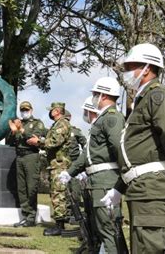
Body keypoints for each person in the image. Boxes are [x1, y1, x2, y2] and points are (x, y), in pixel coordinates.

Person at [100, 43, 165, 253]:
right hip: (142, 190)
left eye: (131, 67)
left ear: (147, 68)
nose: (127, 73)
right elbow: (138, 155)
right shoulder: (142, 100)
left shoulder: (158, 95)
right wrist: (119, 189)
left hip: (153, 190)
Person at [60, 77, 125, 253]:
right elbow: (87, 155)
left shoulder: (112, 118)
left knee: (109, 229)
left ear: (103, 95)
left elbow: (120, 148)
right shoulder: (102, 120)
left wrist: (123, 181)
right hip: (98, 181)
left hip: (107, 181)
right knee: (103, 228)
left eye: (96, 93)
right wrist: (71, 172)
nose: (94, 97)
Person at [27, 102, 71, 236]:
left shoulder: (62, 124)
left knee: (58, 195)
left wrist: (38, 142)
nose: (50, 112)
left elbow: (54, 142)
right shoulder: (57, 124)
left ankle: (59, 227)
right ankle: (59, 224)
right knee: (56, 194)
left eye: (51, 110)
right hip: (55, 164)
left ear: (57, 111)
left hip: (60, 165)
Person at [7, 101, 46, 227]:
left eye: (26, 109)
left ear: (31, 110)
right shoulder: (18, 123)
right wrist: (13, 132)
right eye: (22, 109)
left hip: (31, 156)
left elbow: (33, 140)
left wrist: (22, 130)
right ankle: (26, 215)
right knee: (21, 188)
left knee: (31, 187)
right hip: (19, 157)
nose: (24, 112)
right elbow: (9, 141)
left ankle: (31, 217)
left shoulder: (37, 123)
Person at [63, 110, 87, 212]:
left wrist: (81, 161)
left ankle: (75, 210)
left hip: (74, 163)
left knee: (75, 187)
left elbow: (86, 145)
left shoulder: (75, 131)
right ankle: (66, 211)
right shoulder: (57, 131)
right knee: (63, 188)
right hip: (62, 163)